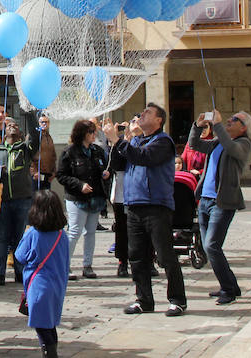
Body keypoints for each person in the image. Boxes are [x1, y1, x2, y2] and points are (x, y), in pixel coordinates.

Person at [105, 103, 187, 317]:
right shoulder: (136, 141)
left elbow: (144, 158)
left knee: (165, 255)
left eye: (148, 113)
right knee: (137, 256)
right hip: (134, 205)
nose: (142, 115)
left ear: (159, 120)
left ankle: (177, 299)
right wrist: (115, 144)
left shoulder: (163, 141)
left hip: (156, 206)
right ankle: (144, 300)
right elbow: (119, 165)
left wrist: (118, 141)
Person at [188, 110, 251, 305]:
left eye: (234, 120)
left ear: (243, 127)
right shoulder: (218, 141)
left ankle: (228, 289)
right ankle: (231, 285)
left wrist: (217, 126)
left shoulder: (243, 143)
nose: (228, 120)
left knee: (212, 245)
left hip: (222, 202)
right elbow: (195, 145)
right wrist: (197, 126)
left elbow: (232, 149)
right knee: (210, 249)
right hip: (205, 201)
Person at [0, 117, 41, 285]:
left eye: (16, 126)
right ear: (4, 132)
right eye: (9, 126)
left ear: (21, 133)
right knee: (2, 237)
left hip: (22, 200)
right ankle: (0, 273)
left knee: (20, 237)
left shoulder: (25, 149)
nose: (12, 127)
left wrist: (30, 114)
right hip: (3, 200)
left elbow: (36, 137)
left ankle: (19, 272)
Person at [15, 190, 69, 358]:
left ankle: (49, 353)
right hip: (58, 284)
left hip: (38, 285)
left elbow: (20, 256)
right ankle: (51, 350)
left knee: (42, 326)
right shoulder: (62, 235)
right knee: (50, 323)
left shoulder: (33, 234)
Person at [56, 120, 110, 280]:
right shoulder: (69, 152)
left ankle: (88, 265)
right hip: (76, 198)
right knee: (74, 231)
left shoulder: (97, 151)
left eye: (94, 132)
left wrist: (105, 174)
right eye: (91, 132)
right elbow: (61, 175)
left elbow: (104, 167)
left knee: (91, 232)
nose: (94, 135)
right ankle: (65, 265)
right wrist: (79, 185)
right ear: (83, 134)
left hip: (95, 198)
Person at [105, 115, 136, 278]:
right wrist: (114, 141)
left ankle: (147, 259)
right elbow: (114, 164)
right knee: (122, 229)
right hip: (122, 191)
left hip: (139, 192)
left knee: (142, 229)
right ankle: (122, 261)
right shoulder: (119, 144)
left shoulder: (144, 142)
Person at [32, 115, 57, 191]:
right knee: (37, 199)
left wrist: (54, 172)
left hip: (48, 175)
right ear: (38, 123)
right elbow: (29, 155)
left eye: (46, 122)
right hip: (37, 175)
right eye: (42, 122)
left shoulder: (49, 137)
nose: (44, 124)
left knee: (46, 199)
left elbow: (53, 155)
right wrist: (34, 172)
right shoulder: (33, 136)